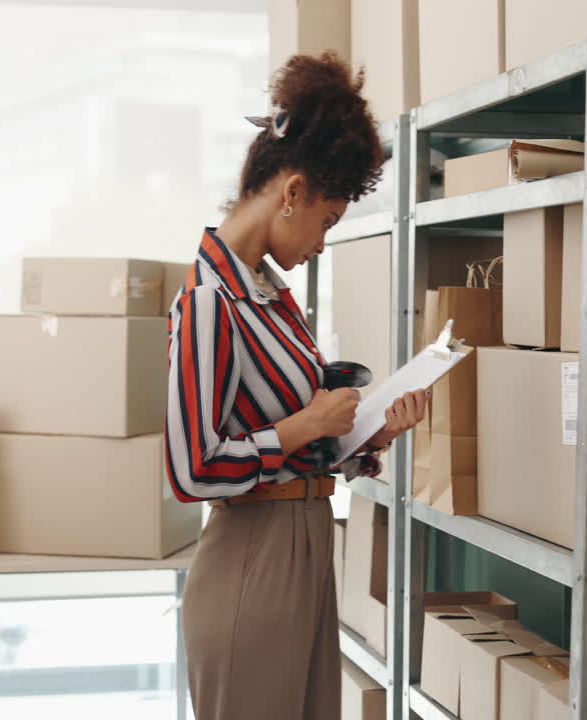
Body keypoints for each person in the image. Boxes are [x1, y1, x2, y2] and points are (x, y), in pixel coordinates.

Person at [163, 52, 428, 720]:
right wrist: (308, 424)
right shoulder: (208, 303)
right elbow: (191, 469)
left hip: (307, 549)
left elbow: (295, 440)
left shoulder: (272, 298)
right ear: (291, 193)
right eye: (327, 220)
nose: (321, 241)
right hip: (252, 561)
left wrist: (365, 433)